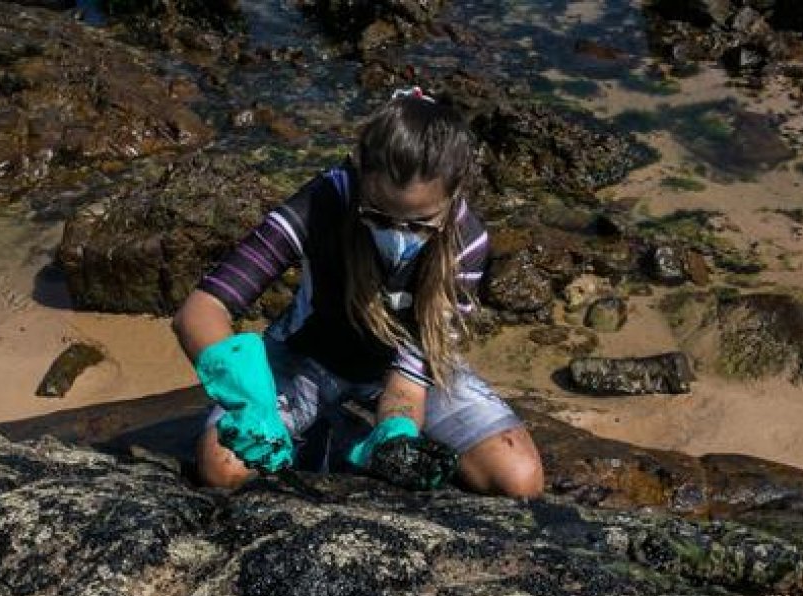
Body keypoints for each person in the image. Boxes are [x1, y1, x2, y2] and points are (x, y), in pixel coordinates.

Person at [172, 87, 544, 498]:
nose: (398, 235)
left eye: (419, 223)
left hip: (401, 372)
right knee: (225, 467)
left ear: (453, 196)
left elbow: (410, 377)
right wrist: (248, 399)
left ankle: (353, 444)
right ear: (359, 172)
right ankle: (333, 432)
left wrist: (395, 432)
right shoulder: (320, 204)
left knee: (519, 478)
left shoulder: (467, 242)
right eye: (379, 216)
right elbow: (201, 309)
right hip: (306, 360)